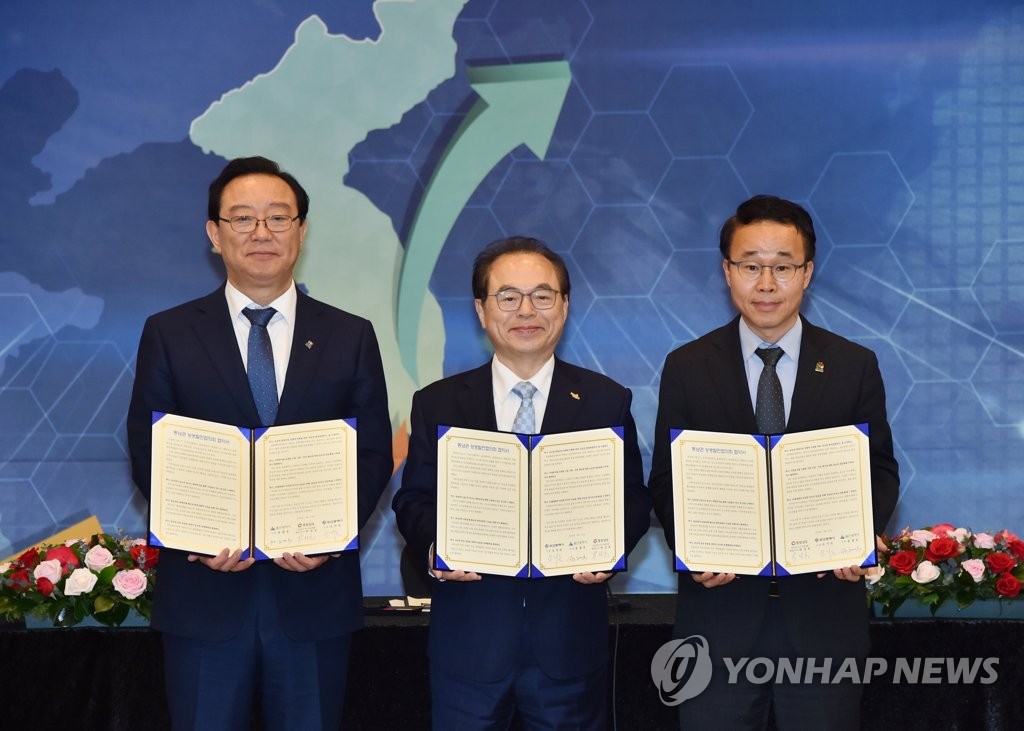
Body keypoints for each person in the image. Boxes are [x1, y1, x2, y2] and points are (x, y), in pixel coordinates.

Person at [126, 156, 392, 730]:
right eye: (243, 218)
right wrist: (198, 535)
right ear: (214, 233)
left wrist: (330, 535)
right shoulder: (170, 332)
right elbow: (150, 450)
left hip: (314, 599)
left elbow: (372, 454)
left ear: (302, 230)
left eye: (278, 217)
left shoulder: (350, 335)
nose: (261, 232)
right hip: (205, 596)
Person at [648, 195, 899, 730]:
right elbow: (667, 480)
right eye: (750, 266)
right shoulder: (687, 366)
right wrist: (693, 548)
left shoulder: (853, 364)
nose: (766, 283)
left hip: (824, 616)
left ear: (807, 273)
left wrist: (858, 534)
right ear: (727, 272)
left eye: (783, 267)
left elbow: (878, 470)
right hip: (718, 618)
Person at [392, 236, 650, 730]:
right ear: (481, 310)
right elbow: (413, 500)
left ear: (565, 305)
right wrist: (437, 548)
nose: (526, 311)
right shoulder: (438, 403)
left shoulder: (605, 401)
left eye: (542, 296)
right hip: (469, 648)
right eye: (508, 296)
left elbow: (633, 499)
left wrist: (610, 545)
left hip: (569, 649)